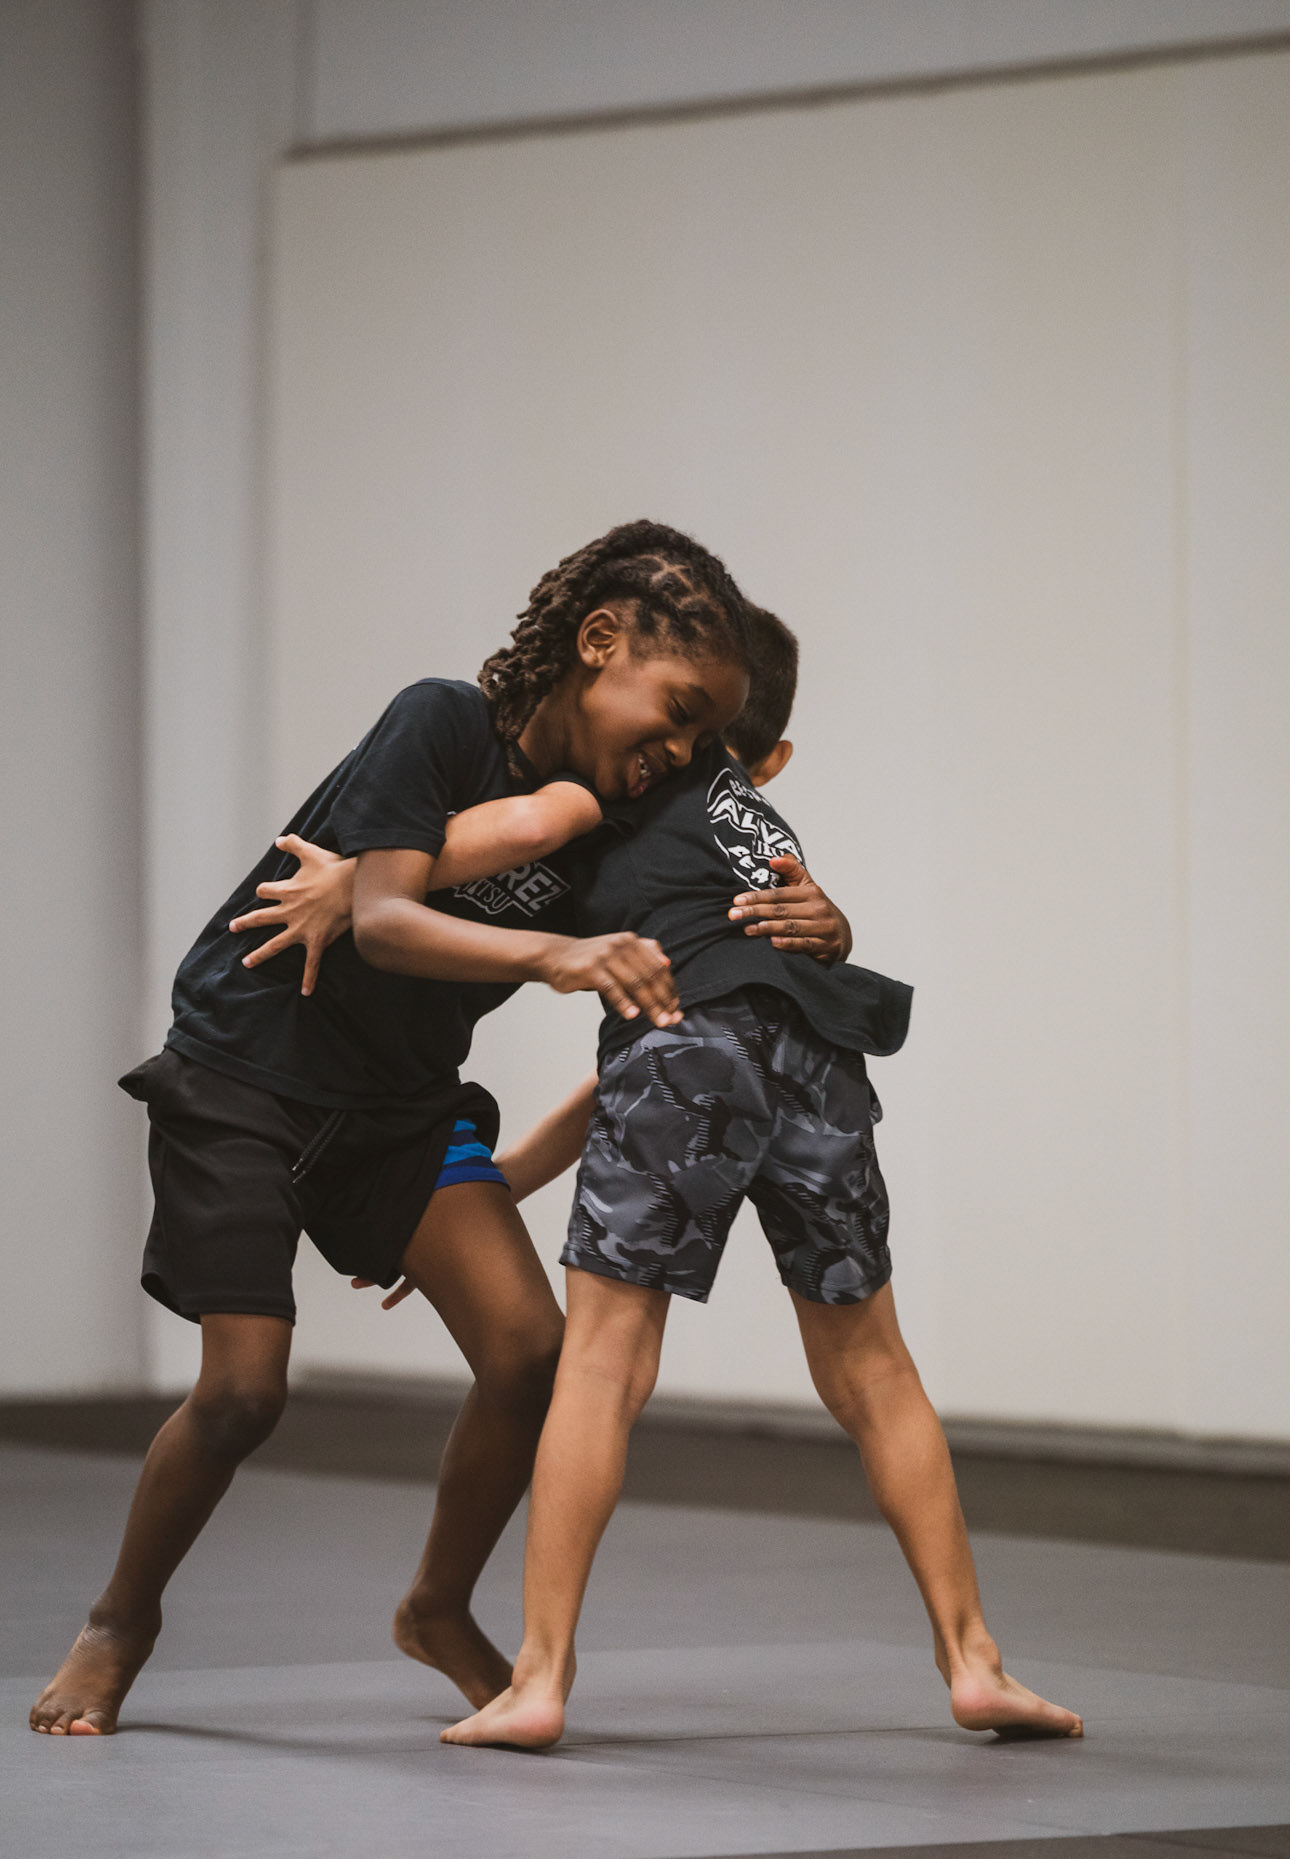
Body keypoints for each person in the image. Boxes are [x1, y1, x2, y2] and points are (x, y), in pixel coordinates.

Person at [30, 522, 821, 1738]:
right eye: (673, 712)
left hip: (399, 1111)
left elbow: (680, 996)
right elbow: (390, 921)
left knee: (531, 1349)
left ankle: (436, 1605)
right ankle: (117, 1621)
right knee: (243, 1391)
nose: (675, 752)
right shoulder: (442, 720)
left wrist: (818, 911)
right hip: (247, 1072)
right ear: (598, 641)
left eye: (702, 739)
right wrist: (548, 950)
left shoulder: (607, 822)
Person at [264, 609, 1085, 1748]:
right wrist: (505, 1177)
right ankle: (974, 1660)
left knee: (602, 1366)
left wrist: (353, 881)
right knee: (875, 1368)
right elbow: (721, 1018)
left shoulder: (615, 778)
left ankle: (539, 1677)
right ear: (772, 754)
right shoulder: (754, 818)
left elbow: (623, 975)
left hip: (684, 1052)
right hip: (816, 1057)